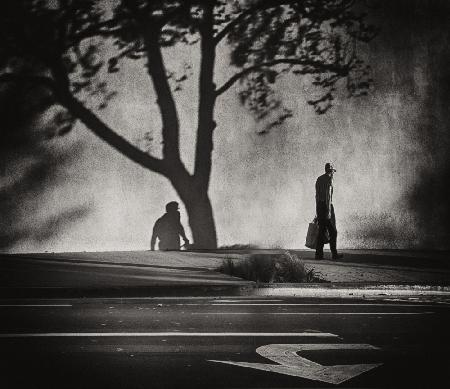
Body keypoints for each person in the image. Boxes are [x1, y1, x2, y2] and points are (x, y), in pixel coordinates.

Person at [315, 163, 344, 260]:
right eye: (332, 171)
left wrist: (317, 211)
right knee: (333, 232)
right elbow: (328, 196)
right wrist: (328, 211)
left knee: (321, 231)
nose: (333, 173)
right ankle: (334, 254)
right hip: (327, 206)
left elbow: (317, 196)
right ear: (330, 171)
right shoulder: (329, 180)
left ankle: (318, 255)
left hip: (319, 207)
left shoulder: (319, 179)